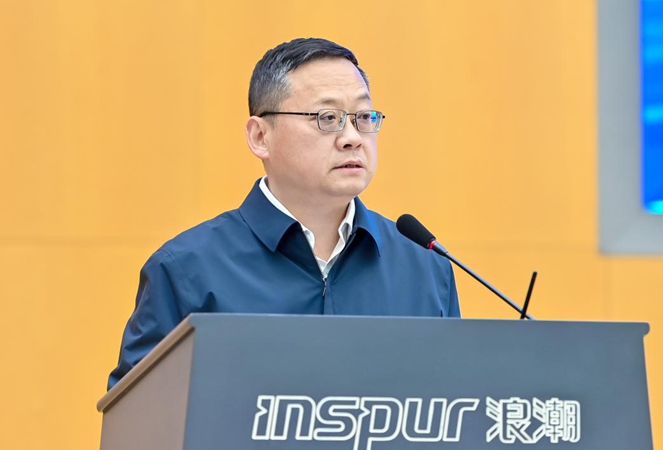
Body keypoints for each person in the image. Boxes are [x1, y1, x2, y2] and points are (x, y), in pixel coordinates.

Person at [107, 38, 460, 390]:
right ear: (261, 136)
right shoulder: (187, 270)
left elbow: (455, 405)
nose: (352, 138)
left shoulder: (426, 267)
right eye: (328, 118)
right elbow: (139, 415)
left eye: (363, 117)